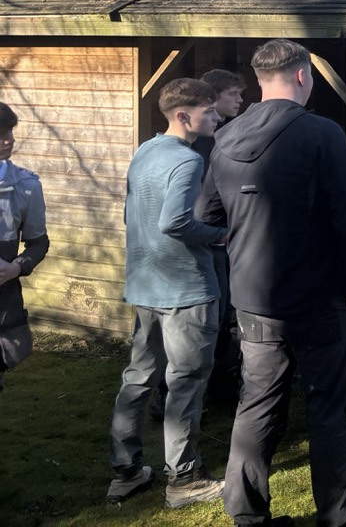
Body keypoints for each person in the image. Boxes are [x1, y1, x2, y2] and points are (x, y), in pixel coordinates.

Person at [203, 39, 346, 527]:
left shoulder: (226, 138)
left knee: (256, 405)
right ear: (302, 77)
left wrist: (244, 238)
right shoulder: (322, 133)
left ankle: (246, 514)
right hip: (320, 299)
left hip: (254, 301)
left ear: (259, 80)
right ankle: (340, 517)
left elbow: (205, 216)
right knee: (329, 407)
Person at [107, 79, 225, 508]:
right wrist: (220, 235)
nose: (216, 117)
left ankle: (126, 472)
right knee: (186, 383)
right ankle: (184, 480)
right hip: (185, 289)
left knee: (139, 377)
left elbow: (128, 213)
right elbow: (175, 223)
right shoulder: (188, 160)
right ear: (183, 116)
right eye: (209, 110)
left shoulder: (144, 150)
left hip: (143, 285)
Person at [195, 68, 247, 406]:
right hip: (205, 240)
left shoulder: (227, 135)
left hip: (223, 237)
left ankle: (219, 388)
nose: (241, 101)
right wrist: (213, 231)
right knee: (206, 318)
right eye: (234, 95)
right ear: (213, 98)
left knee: (224, 313)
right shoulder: (202, 145)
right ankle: (174, 394)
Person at [0, 101, 50, 393]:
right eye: (0, 132)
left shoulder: (27, 186)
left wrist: (16, 267)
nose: (9, 139)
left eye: (10, 131)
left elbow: (39, 243)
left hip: (4, 309)